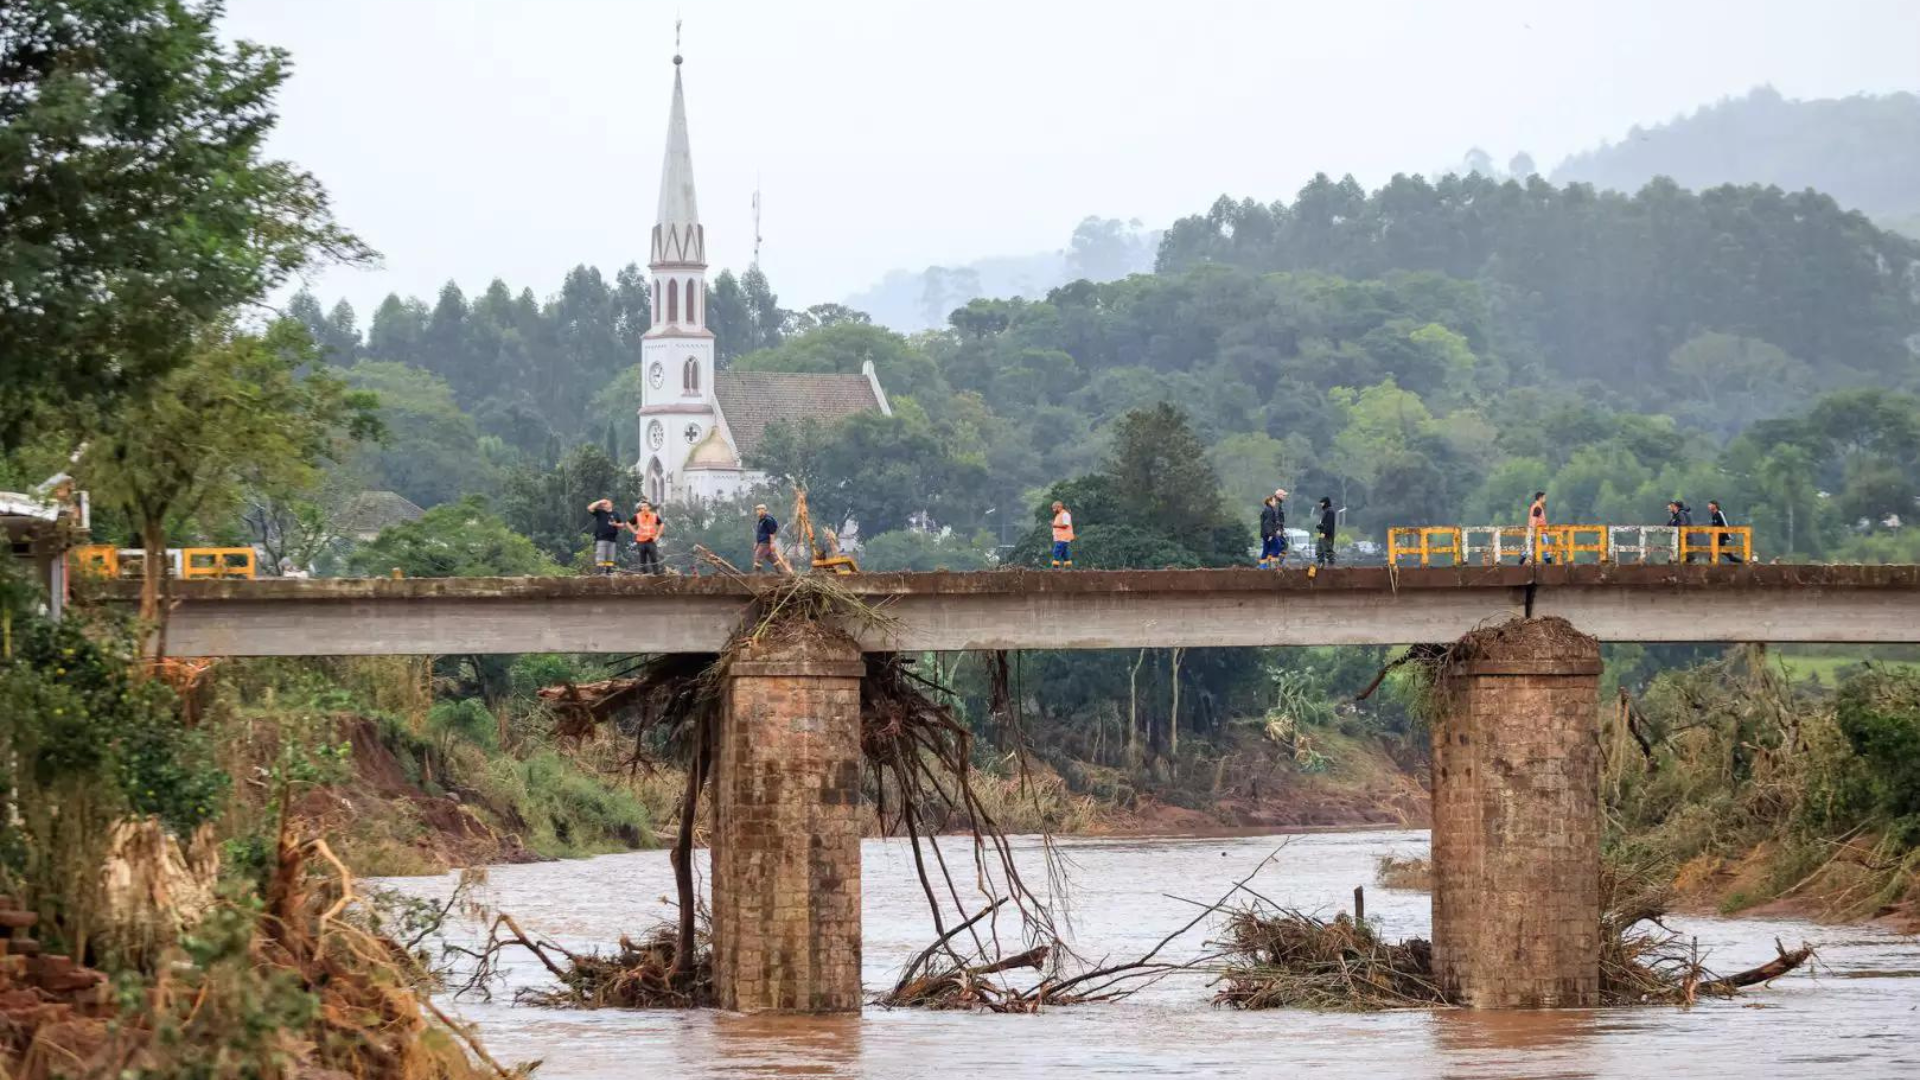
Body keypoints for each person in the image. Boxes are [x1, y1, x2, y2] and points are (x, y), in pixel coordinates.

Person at [629, 499, 664, 574]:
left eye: (645, 506)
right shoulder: (637, 516)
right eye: (642, 507)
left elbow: (661, 524)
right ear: (641, 508)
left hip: (651, 540)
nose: (644, 508)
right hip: (641, 540)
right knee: (642, 559)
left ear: (649, 507)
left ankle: (656, 574)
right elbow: (628, 523)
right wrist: (634, 531)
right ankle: (644, 574)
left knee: (653, 558)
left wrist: (658, 535)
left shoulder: (654, 516)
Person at [587, 497, 621, 575]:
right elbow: (589, 508)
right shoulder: (600, 512)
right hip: (601, 538)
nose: (604, 505)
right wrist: (599, 501)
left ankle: (609, 572)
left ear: (611, 504)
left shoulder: (616, 514)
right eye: (603, 504)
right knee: (600, 556)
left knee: (610, 557)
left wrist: (615, 524)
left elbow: (621, 525)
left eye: (606, 503)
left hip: (612, 539)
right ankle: (601, 572)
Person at [1523, 490, 1552, 565]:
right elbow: (1534, 519)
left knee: (1528, 546)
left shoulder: (1534, 506)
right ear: (1540, 498)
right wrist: (1532, 530)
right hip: (1540, 531)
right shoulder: (1538, 507)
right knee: (1545, 547)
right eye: (1544, 497)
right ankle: (1549, 564)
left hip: (1536, 530)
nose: (1545, 499)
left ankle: (1521, 562)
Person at [752, 504, 780, 572]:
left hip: (765, 542)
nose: (757, 511)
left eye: (759, 510)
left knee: (758, 556)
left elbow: (772, 532)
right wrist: (757, 542)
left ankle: (755, 576)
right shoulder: (761, 520)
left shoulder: (768, 520)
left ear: (763, 510)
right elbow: (760, 532)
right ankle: (781, 572)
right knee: (771, 557)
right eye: (757, 510)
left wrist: (772, 543)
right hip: (762, 542)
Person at [1258, 495, 1284, 568]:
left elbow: (1271, 523)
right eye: (1274, 501)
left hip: (1265, 533)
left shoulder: (1267, 509)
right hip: (1269, 533)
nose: (1275, 502)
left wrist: (1276, 530)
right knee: (1277, 546)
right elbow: (1268, 523)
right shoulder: (1269, 510)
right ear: (1269, 502)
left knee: (1266, 549)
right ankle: (1274, 565)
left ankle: (1263, 567)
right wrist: (1271, 534)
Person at [1050, 500, 1075, 568]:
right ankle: (1068, 568)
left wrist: (1055, 525)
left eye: (1054, 508)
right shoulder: (1059, 515)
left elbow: (1066, 525)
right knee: (1065, 554)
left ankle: (1055, 568)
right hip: (1061, 538)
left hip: (1063, 538)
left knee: (1056, 552)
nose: (1053, 510)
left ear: (1059, 507)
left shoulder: (1065, 514)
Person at [1315, 497, 1337, 567]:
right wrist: (1320, 526)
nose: (1321, 504)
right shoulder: (1325, 511)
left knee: (1328, 551)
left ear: (1325, 503)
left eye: (1322, 503)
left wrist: (1324, 532)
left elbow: (1329, 524)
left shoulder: (1330, 511)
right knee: (1319, 550)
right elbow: (1324, 523)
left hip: (1327, 535)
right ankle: (1321, 564)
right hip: (1322, 534)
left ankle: (1331, 566)